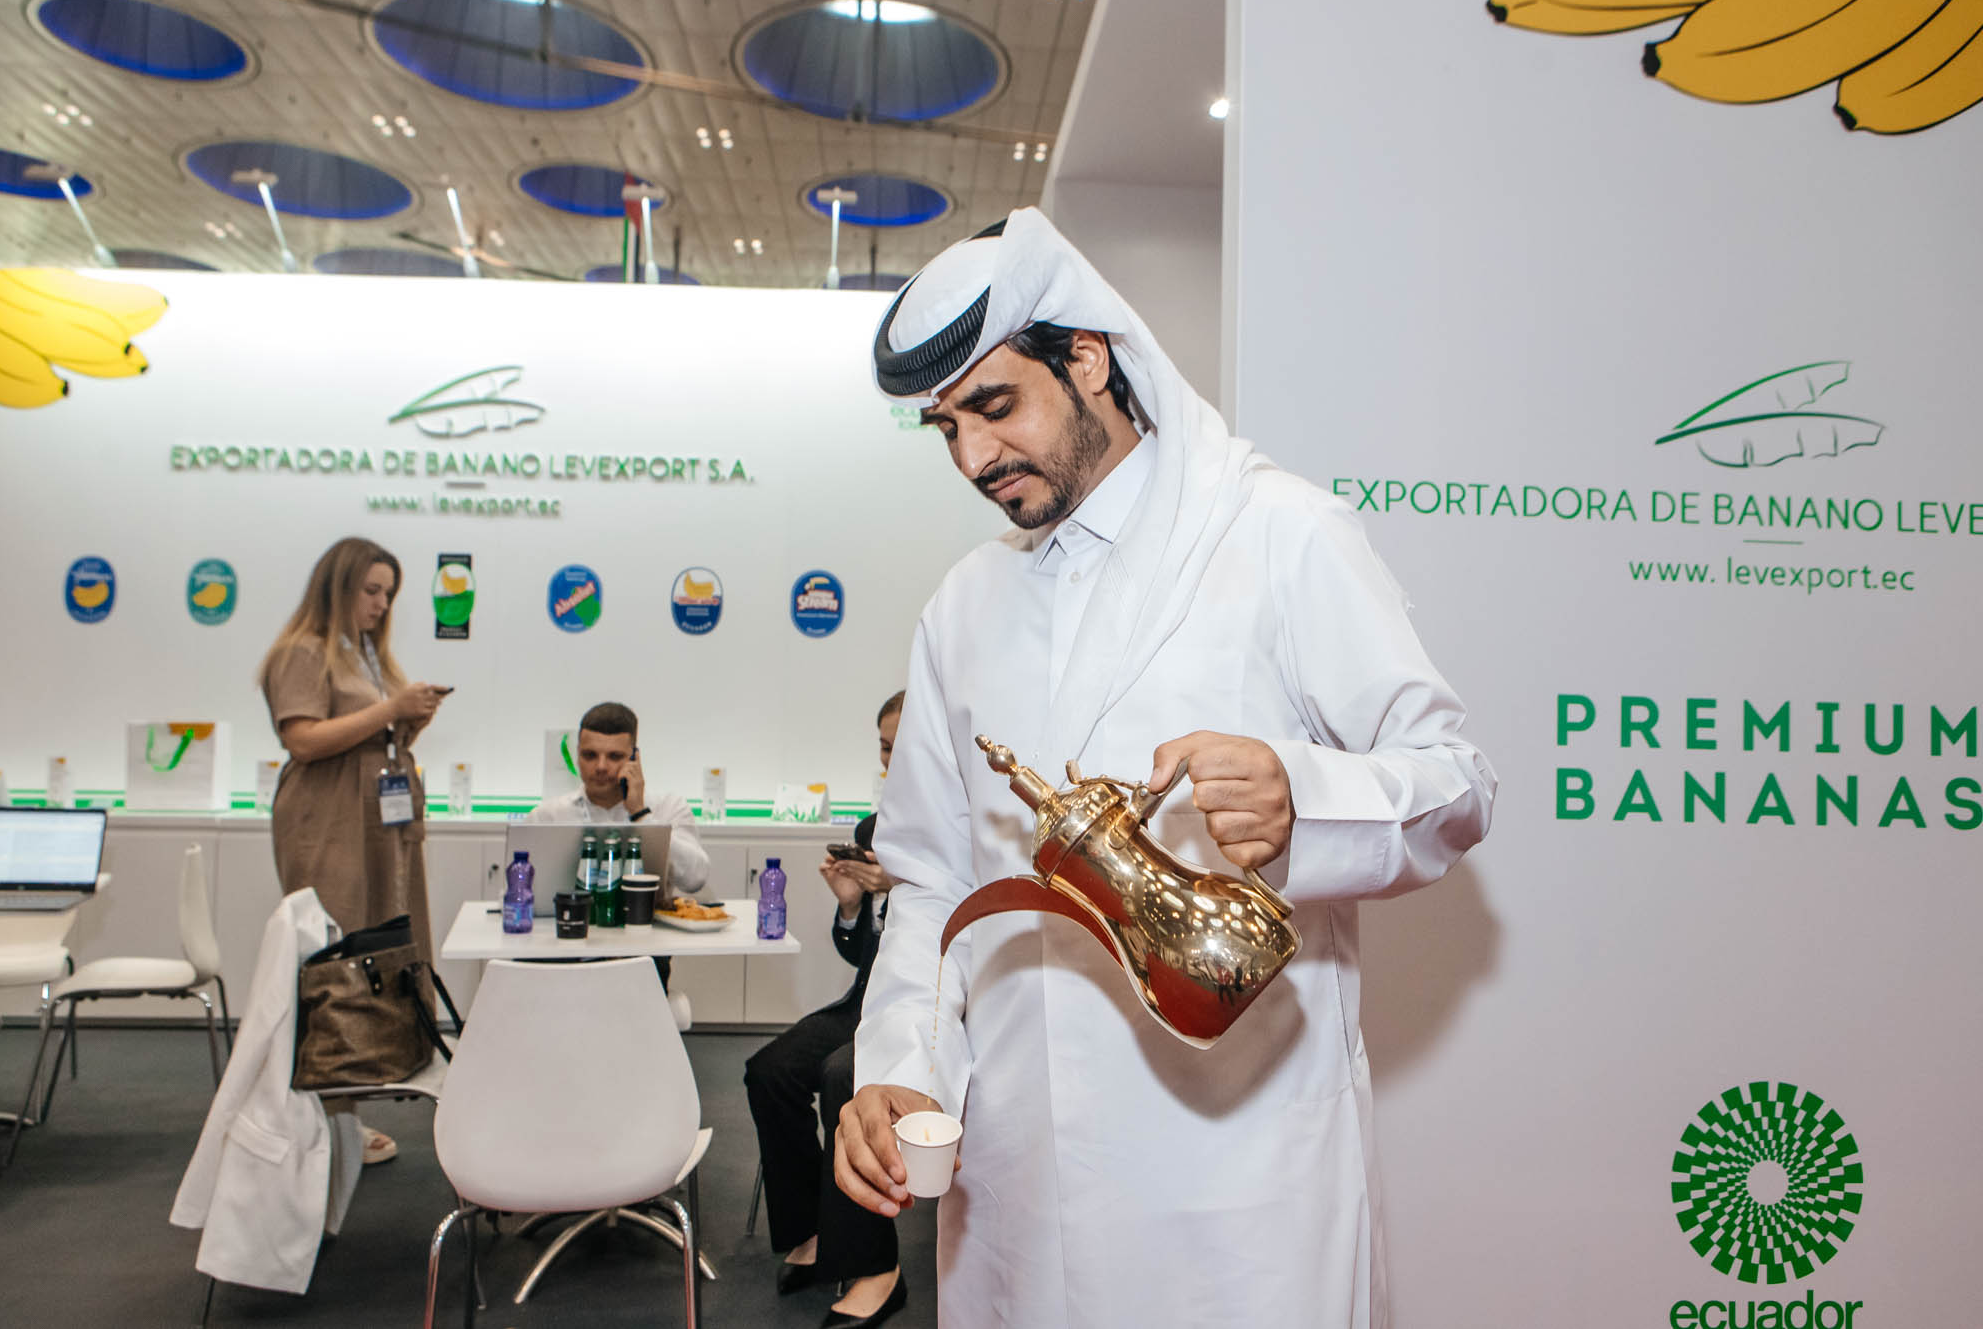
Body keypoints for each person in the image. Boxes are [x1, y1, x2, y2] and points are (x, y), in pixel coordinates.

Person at [834, 210, 1498, 1327]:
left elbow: (1455, 781)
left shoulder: (1277, 533)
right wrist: (901, 1064)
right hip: (1019, 1181)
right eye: (945, 427)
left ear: (1087, 359)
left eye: (994, 407)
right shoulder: (965, 605)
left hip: (1236, 1174)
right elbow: (932, 878)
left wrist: (1303, 798)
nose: (973, 459)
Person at [260, 536, 447, 1166]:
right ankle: (320, 1114)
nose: (381, 604)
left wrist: (407, 718)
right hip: (329, 820)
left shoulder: (365, 654)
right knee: (332, 958)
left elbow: (367, 731)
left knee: (373, 948)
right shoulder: (303, 652)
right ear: (336, 586)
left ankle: (344, 1106)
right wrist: (391, 707)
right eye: (371, 590)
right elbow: (304, 739)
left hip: (375, 822)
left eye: (388, 593)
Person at [745, 691, 907, 1329]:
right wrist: (850, 904)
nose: (893, 762)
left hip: (934, 1006)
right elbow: (861, 950)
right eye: (885, 749)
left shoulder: (966, 829)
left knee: (846, 1078)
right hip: (869, 1000)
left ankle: (877, 1268)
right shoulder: (873, 830)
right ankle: (811, 1229)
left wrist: (902, 886)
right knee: (771, 1071)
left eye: (903, 747)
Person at [527, 701, 709, 896]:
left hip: (649, 916)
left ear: (634, 758)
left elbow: (695, 880)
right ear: (577, 754)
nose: (601, 767)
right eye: (590, 755)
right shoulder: (546, 816)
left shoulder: (668, 807)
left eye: (614, 756)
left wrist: (640, 814)